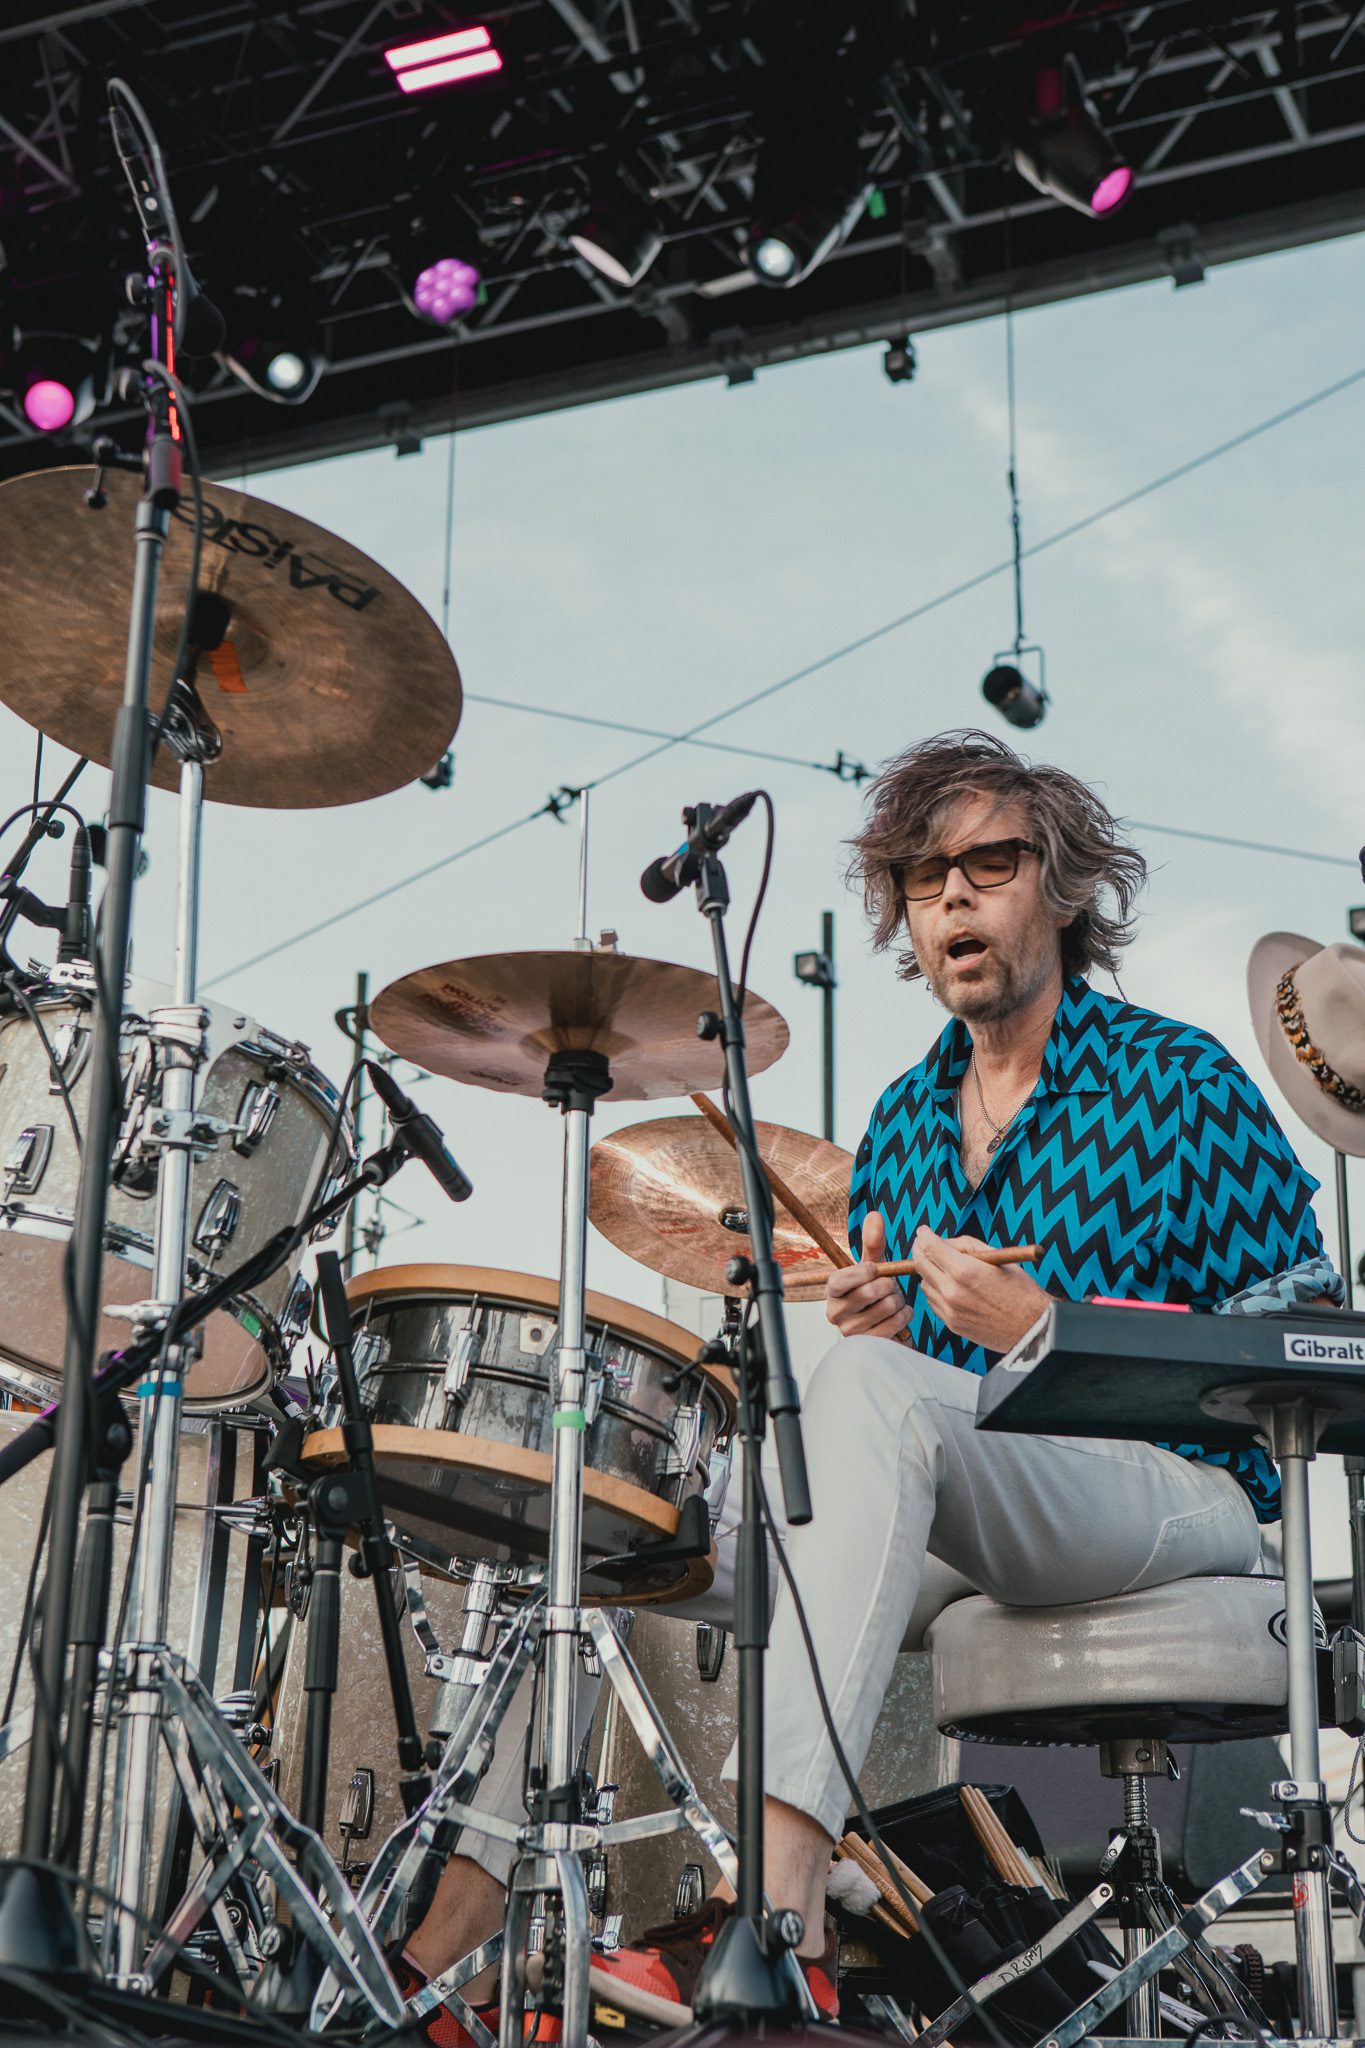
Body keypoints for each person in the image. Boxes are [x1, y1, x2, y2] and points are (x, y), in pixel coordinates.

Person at [399, 728, 1329, 2034]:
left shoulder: (1178, 1079)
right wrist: (879, 1326)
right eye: (919, 875)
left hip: (1177, 1491)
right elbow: (916, 1409)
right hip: (976, 1485)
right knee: (607, 1515)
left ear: (1061, 890)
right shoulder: (901, 1116)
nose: (949, 895)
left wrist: (1041, 1328)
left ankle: (780, 1927)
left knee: (878, 1398)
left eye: (987, 864)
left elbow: (1291, 1337)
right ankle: (456, 1932)